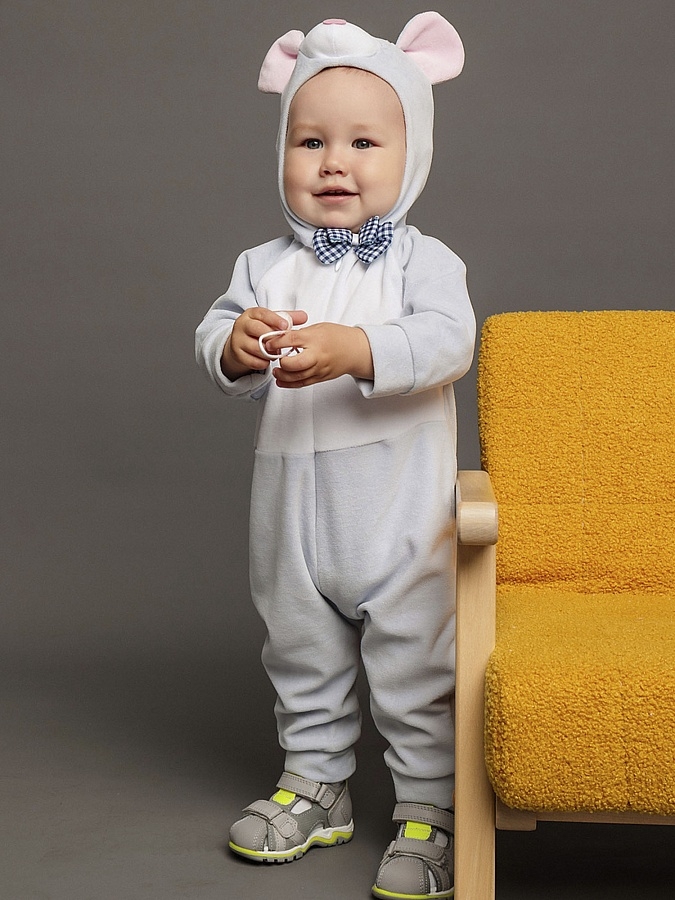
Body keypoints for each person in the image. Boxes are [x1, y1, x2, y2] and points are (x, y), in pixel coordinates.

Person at [195, 13, 475, 899]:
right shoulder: (262, 265)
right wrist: (235, 345)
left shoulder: (424, 263)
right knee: (300, 655)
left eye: (363, 142)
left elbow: (448, 341)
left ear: (411, 152)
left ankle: (430, 807)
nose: (333, 163)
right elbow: (213, 337)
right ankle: (315, 786)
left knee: (416, 667)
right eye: (309, 141)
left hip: (399, 517)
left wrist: (358, 350)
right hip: (289, 518)